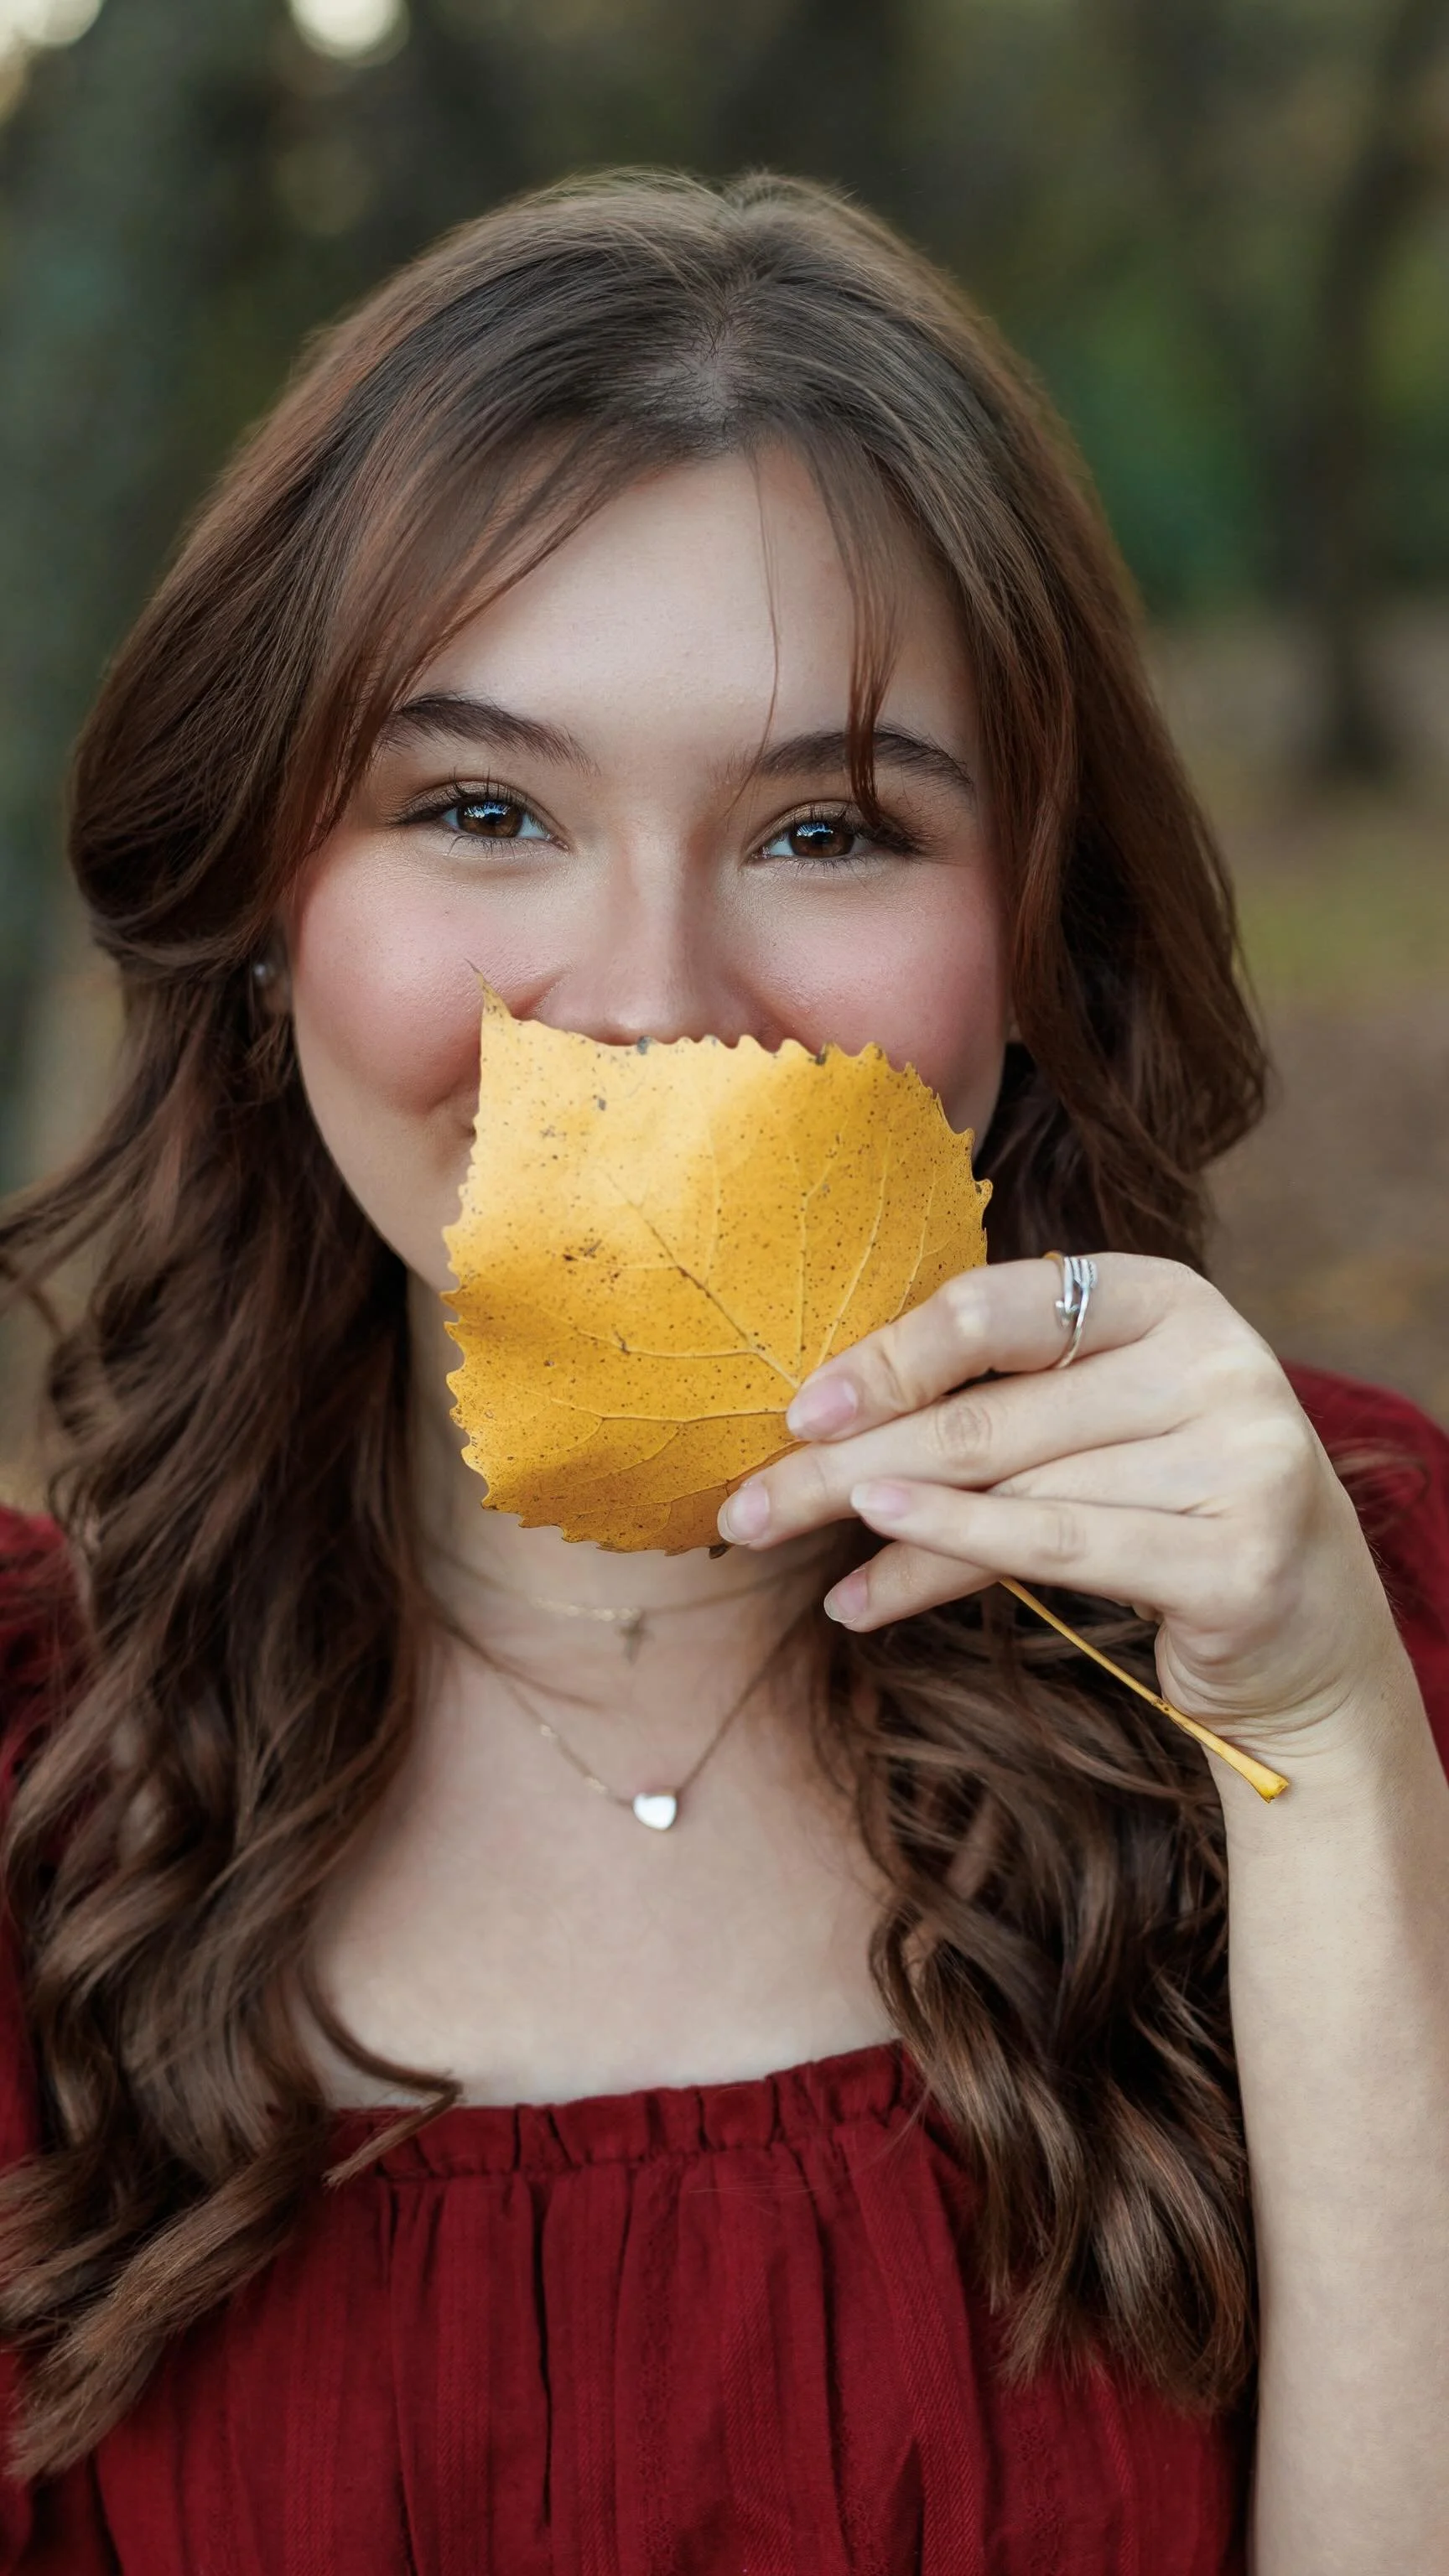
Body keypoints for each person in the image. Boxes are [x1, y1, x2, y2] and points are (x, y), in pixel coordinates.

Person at [0, 169, 1446, 2576]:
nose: (654, 1003)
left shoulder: (1351, 1621)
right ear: (264, 908)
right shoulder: (29, 1779)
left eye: (827, 828)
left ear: (1035, 933)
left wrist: (1324, 1754)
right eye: (482, 810)